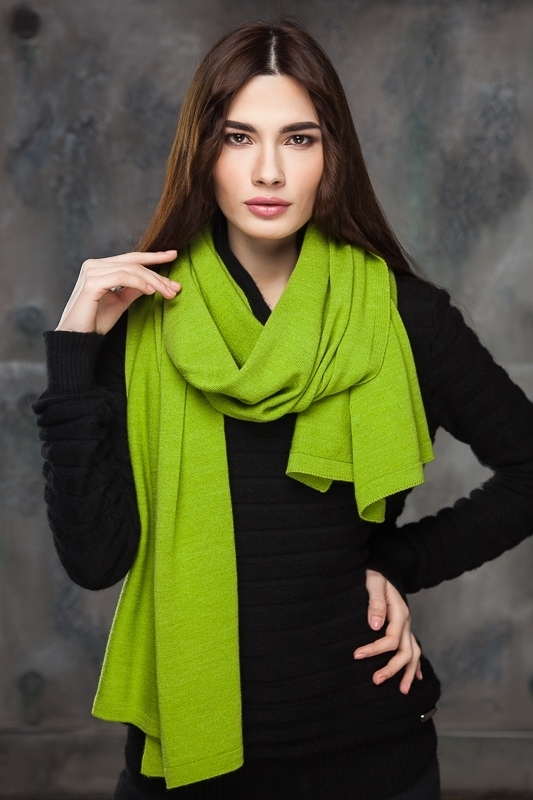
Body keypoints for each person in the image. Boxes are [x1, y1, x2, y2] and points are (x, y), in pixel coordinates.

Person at [32, 18, 533, 800]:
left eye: (298, 139)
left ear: (331, 154)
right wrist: (74, 353)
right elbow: (95, 564)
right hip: (186, 764)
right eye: (239, 138)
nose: (268, 170)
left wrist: (393, 564)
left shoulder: (401, 316)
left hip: (373, 761)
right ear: (203, 152)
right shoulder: (137, 322)